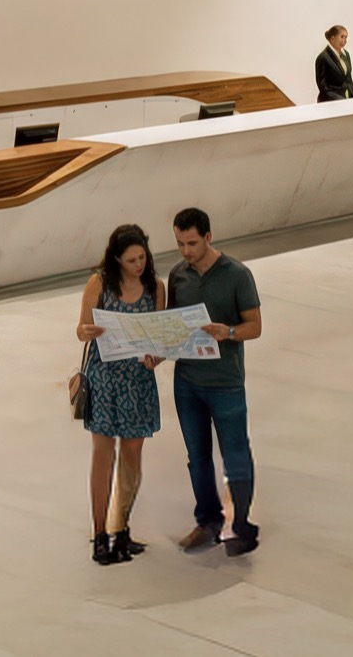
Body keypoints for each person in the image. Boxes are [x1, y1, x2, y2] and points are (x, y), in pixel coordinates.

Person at [167, 207, 264, 557]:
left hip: (225, 384)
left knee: (235, 454)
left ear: (208, 237)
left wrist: (230, 332)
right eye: (180, 244)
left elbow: (255, 325)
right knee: (198, 457)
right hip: (187, 382)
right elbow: (173, 326)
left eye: (192, 243)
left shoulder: (237, 275)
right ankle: (207, 520)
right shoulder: (178, 276)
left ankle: (240, 526)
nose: (186, 251)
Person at [72, 223, 164, 565]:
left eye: (142, 257)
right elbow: (80, 331)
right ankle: (99, 535)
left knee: (131, 458)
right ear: (116, 259)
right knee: (103, 455)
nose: (138, 264)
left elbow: (157, 337)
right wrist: (88, 330)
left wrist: (157, 355)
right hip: (105, 378)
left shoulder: (155, 287)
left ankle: (121, 529)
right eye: (131, 260)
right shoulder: (100, 283)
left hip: (138, 381)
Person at [314, 25, 353, 102]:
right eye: (342, 37)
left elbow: (349, 80)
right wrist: (340, 100)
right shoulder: (323, 57)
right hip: (330, 103)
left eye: (346, 37)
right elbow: (323, 88)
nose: (344, 40)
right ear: (333, 38)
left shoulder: (346, 55)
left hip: (347, 101)